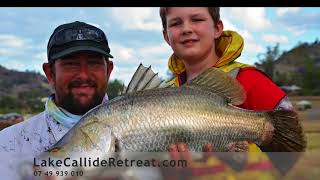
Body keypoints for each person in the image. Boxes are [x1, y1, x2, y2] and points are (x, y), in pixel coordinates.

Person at [159, 7, 300, 179]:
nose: (187, 29)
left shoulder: (250, 80)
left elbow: (291, 155)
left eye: (196, 19)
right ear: (166, 36)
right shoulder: (163, 93)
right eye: (176, 23)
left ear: (217, 29)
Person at [0, 21, 114, 154]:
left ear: (108, 71)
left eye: (94, 63)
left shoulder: (142, 129)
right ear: (50, 73)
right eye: (71, 64)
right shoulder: (7, 145)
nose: (84, 75)